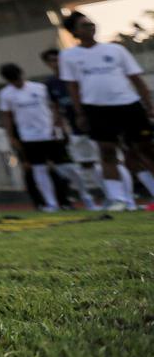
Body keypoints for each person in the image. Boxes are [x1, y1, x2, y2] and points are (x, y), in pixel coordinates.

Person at [60, 11, 154, 210]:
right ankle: (118, 199)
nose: (90, 27)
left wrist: (148, 105)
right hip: (97, 109)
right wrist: (80, 113)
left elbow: (136, 79)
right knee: (107, 152)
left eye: (91, 23)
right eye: (84, 25)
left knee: (145, 149)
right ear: (74, 32)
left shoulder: (116, 50)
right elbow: (73, 87)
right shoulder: (68, 56)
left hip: (129, 105)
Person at [0, 63, 95, 212]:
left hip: (50, 134)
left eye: (17, 78)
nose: (16, 83)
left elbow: (54, 107)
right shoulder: (5, 94)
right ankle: (51, 203)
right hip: (29, 137)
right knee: (39, 170)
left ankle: (86, 197)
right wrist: (10, 136)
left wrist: (58, 125)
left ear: (21, 74)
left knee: (68, 168)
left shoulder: (40, 88)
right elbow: (7, 116)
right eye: (12, 80)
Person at [42, 48, 106, 201]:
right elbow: (55, 105)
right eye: (51, 61)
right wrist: (56, 124)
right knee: (86, 163)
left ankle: (124, 195)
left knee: (106, 157)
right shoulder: (50, 83)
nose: (55, 63)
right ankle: (108, 194)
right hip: (75, 127)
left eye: (57, 59)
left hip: (93, 122)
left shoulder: (77, 75)